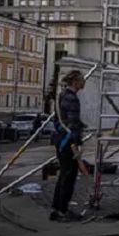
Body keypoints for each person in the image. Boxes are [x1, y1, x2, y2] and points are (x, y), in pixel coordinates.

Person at [49, 70, 87, 222]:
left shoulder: (62, 95)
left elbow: (62, 118)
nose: (84, 82)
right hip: (68, 142)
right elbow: (72, 123)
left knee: (63, 175)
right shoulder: (72, 98)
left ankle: (56, 208)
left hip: (60, 140)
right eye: (82, 79)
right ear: (76, 81)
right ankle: (62, 211)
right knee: (68, 177)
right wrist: (77, 144)